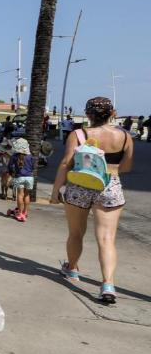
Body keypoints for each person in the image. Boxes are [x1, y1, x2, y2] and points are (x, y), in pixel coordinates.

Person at [51, 96, 134, 304]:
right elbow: (126, 167)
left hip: (80, 185)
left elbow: (65, 164)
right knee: (106, 239)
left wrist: (55, 192)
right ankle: (108, 284)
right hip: (110, 186)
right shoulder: (125, 136)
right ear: (112, 113)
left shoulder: (78, 134)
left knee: (76, 233)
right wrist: (109, 170)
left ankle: (71, 269)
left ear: (88, 114)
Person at [5, 139, 35, 222]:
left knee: (20, 195)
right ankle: (25, 212)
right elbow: (33, 167)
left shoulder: (14, 156)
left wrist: (11, 173)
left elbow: (10, 167)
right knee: (26, 195)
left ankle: (20, 213)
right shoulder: (30, 156)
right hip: (29, 178)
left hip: (20, 177)